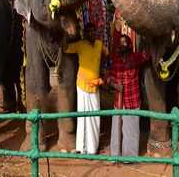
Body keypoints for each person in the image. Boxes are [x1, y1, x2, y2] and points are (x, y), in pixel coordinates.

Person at [107, 18, 149, 158]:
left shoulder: (135, 58)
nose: (123, 45)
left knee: (131, 130)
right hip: (119, 101)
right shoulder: (115, 61)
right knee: (116, 130)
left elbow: (147, 55)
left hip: (132, 100)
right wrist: (114, 84)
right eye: (121, 44)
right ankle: (115, 155)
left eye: (125, 43)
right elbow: (109, 77)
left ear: (130, 46)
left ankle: (129, 157)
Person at [64, 23, 106, 154]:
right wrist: (64, 33)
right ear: (85, 33)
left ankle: (92, 148)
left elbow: (107, 54)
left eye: (94, 31)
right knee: (82, 116)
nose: (92, 33)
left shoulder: (99, 45)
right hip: (82, 85)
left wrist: (102, 72)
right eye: (89, 31)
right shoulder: (80, 44)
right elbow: (65, 48)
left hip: (95, 86)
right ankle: (81, 148)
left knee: (94, 116)